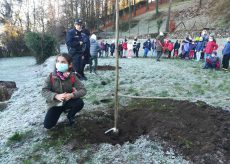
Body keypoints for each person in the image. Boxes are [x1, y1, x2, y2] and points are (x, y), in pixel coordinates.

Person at [42, 53, 87, 129]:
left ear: (69, 65)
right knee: (48, 125)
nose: (59, 64)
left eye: (63, 62)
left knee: (79, 103)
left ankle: (70, 116)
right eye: (58, 61)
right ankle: (59, 112)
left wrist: (72, 95)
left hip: (68, 101)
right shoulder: (50, 77)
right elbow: (44, 91)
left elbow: (83, 90)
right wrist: (56, 96)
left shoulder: (72, 76)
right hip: (55, 104)